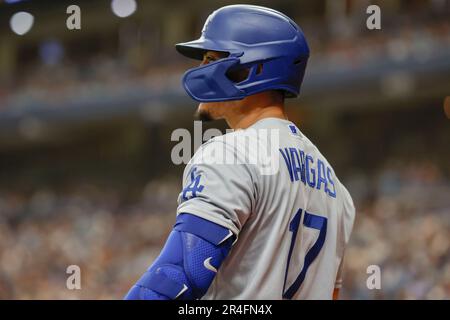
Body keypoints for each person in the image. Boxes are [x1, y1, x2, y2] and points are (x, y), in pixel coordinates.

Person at [125, 4, 355, 300]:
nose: (201, 69)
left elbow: (181, 275)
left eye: (210, 59)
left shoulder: (230, 153)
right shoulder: (338, 190)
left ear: (251, 68)